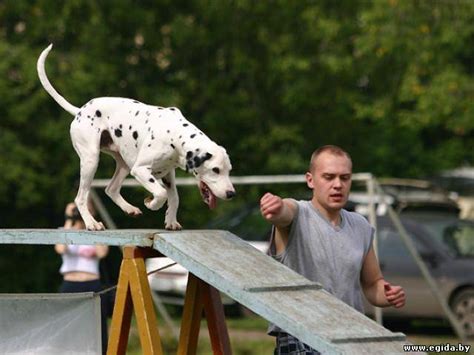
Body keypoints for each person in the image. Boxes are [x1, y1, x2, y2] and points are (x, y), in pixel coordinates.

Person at [260, 145, 406, 354]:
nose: (338, 185)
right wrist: (275, 207)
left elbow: (373, 284)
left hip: (350, 333)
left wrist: (388, 295)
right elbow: (284, 212)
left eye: (344, 178)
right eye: (329, 177)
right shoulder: (298, 214)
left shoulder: (360, 225)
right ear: (310, 180)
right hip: (300, 335)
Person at [55, 201, 110, 354]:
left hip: (92, 283)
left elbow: (102, 253)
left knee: (98, 325)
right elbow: (60, 248)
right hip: (70, 283)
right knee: (66, 325)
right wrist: (69, 219)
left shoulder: (96, 230)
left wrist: (90, 223)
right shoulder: (64, 230)